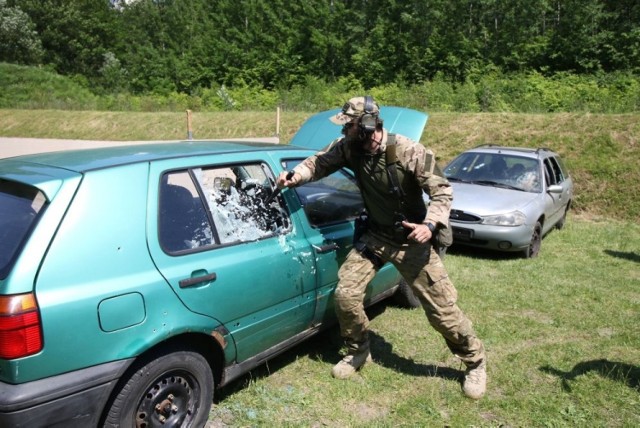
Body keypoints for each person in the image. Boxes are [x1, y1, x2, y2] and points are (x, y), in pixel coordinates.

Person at [277, 96, 487, 399]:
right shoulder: (349, 147)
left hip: (412, 242)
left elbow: (442, 191)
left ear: (365, 127)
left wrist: (429, 226)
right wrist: (294, 177)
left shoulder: (410, 151)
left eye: (348, 125)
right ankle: (358, 351)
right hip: (376, 238)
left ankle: (475, 362)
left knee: (442, 312)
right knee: (346, 295)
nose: (343, 131)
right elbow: (319, 162)